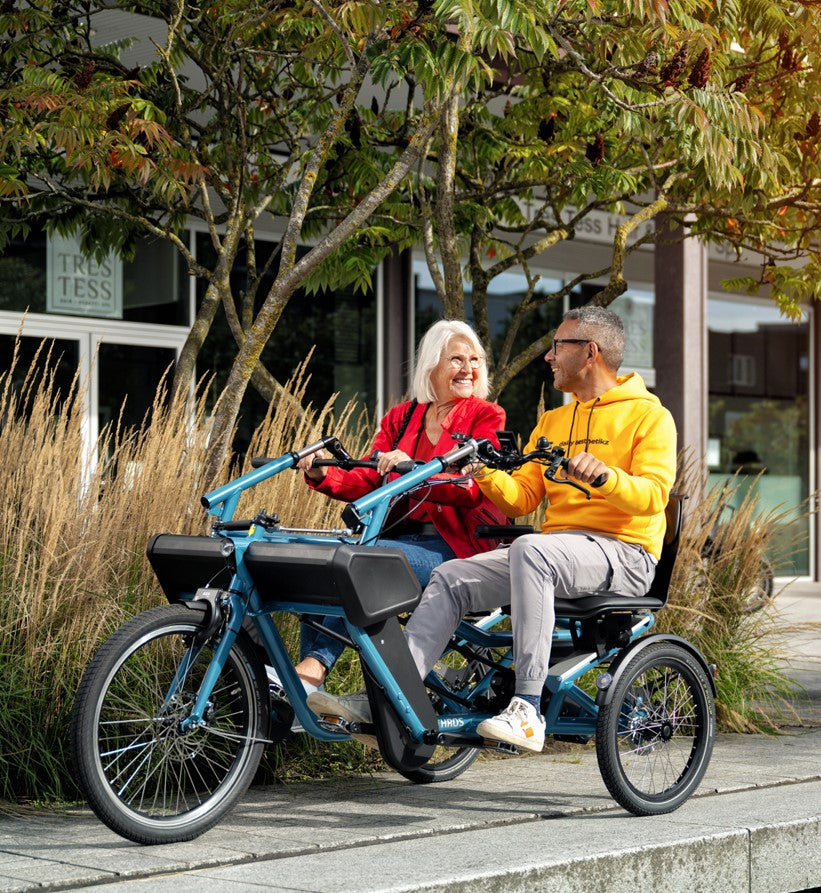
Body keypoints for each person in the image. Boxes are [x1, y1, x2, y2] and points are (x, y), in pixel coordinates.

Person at [310, 306, 677, 752]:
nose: (549, 357)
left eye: (558, 346)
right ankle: (393, 695)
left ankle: (527, 708)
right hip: (559, 553)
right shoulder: (555, 422)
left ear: (590, 353)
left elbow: (655, 496)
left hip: (624, 553)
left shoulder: (649, 416)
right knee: (451, 577)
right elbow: (522, 497)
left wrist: (605, 476)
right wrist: (482, 470)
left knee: (531, 549)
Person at [277, 319, 509, 704]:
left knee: (366, 562)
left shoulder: (487, 416)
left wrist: (414, 470)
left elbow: (470, 490)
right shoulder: (402, 417)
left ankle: (313, 669)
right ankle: (307, 694)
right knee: (328, 564)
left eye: (475, 360)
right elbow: (370, 479)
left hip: (458, 546)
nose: (468, 369)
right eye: (456, 359)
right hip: (399, 538)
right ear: (431, 364)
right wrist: (323, 472)